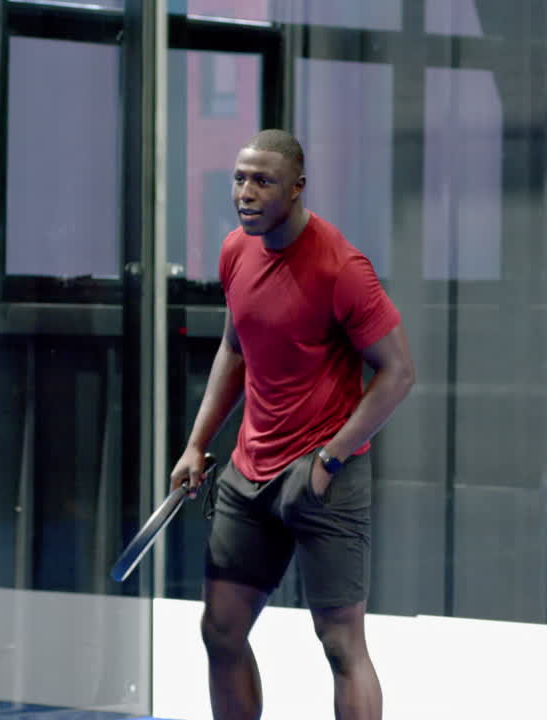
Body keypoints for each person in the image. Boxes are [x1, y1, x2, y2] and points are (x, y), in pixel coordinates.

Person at [170, 129, 415, 720]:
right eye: (239, 179)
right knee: (220, 629)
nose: (245, 193)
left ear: (297, 188)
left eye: (263, 181)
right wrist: (197, 444)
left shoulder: (342, 268)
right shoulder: (236, 251)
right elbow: (234, 348)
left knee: (340, 644)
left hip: (323, 477)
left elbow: (399, 372)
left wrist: (329, 460)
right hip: (248, 473)